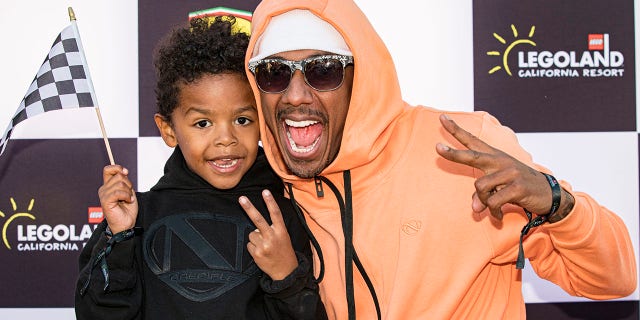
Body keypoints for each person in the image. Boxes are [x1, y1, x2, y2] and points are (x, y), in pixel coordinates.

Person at [239, 0, 638, 319]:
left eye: (322, 71)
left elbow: (614, 279)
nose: (294, 95)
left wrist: (557, 203)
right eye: (273, 73)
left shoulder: (462, 151)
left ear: (360, 79)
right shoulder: (268, 192)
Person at [74, 14, 326, 320]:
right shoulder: (135, 217)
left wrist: (287, 277)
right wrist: (119, 239)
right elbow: (98, 314)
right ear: (168, 129)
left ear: (262, 120)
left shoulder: (282, 214)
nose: (226, 138)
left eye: (242, 120)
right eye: (203, 123)